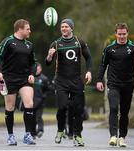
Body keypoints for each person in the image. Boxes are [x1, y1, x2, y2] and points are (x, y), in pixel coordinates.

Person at [96, 23, 134, 147]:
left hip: (128, 84)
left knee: (124, 111)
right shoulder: (109, 48)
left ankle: (122, 137)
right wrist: (98, 80)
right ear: (116, 34)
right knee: (113, 107)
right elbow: (103, 65)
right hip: (113, 83)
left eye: (124, 34)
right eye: (119, 34)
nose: (122, 36)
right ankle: (113, 136)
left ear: (127, 33)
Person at [45, 18, 92, 147]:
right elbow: (48, 63)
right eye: (62, 27)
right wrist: (49, 56)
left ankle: (78, 135)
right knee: (62, 107)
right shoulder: (55, 43)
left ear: (71, 28)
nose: (64, 28)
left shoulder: (79, 42)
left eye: (66, 26)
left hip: (76, 80)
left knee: (78, 110)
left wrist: (88, 71)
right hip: (61, 80)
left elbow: (88, 58)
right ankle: (60, 130)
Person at [0, 19, 37, 145]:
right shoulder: (8, 41)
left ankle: (28, 135)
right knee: (10, 107)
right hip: (9, 78)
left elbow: (33, 63)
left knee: (29, 103)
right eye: (28, 29)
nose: (30, 31)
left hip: (25, 79)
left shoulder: (29, 45)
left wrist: (31, 74)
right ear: (20, 29)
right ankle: (11, 136)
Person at [32, 63, 52, 138]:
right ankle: (33, 133)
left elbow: (48, 89)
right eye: (36, 68)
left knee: (38, 117)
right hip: (31, 101)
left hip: (40, 101)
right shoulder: (31, 77)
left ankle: (40, 130)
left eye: (39, 68)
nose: (37, 70)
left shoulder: (44, 79)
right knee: (32, 117)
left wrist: (44, 96)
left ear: (41, 69)